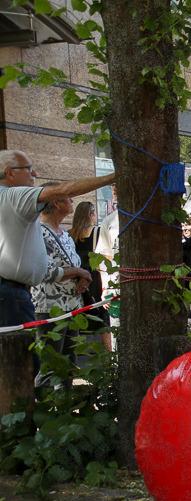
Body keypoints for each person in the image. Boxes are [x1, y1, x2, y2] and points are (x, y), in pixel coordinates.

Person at [0, 149, 113, 339]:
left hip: (30, 296)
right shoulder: (13, 197)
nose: (35, 174)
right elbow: (64, 189)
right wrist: (113, 177)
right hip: (25, 299)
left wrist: (79, 272)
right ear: (10, 173)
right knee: (27, 361)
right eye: (28, 169)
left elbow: (43, 266)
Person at [32, 183, 88, 378]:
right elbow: (44, 271)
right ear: (56, 203)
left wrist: (83, 277)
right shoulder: (38, 232)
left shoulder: (65, 234)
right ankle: (46, 406)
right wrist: (79, 271)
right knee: (49, 364)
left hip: (72, 304)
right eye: (68, 198)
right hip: (49, 307)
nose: (72, 201)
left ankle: (66, 403)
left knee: (68, 362)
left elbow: (73, 265)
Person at [69, 201, 113, 352]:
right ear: (91, 214)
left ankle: (76, 350)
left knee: (78, 315)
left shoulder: (70, 234)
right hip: (95, 278)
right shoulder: (98, 232)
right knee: (103, 318)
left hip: (76, 279)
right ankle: (109, 352)